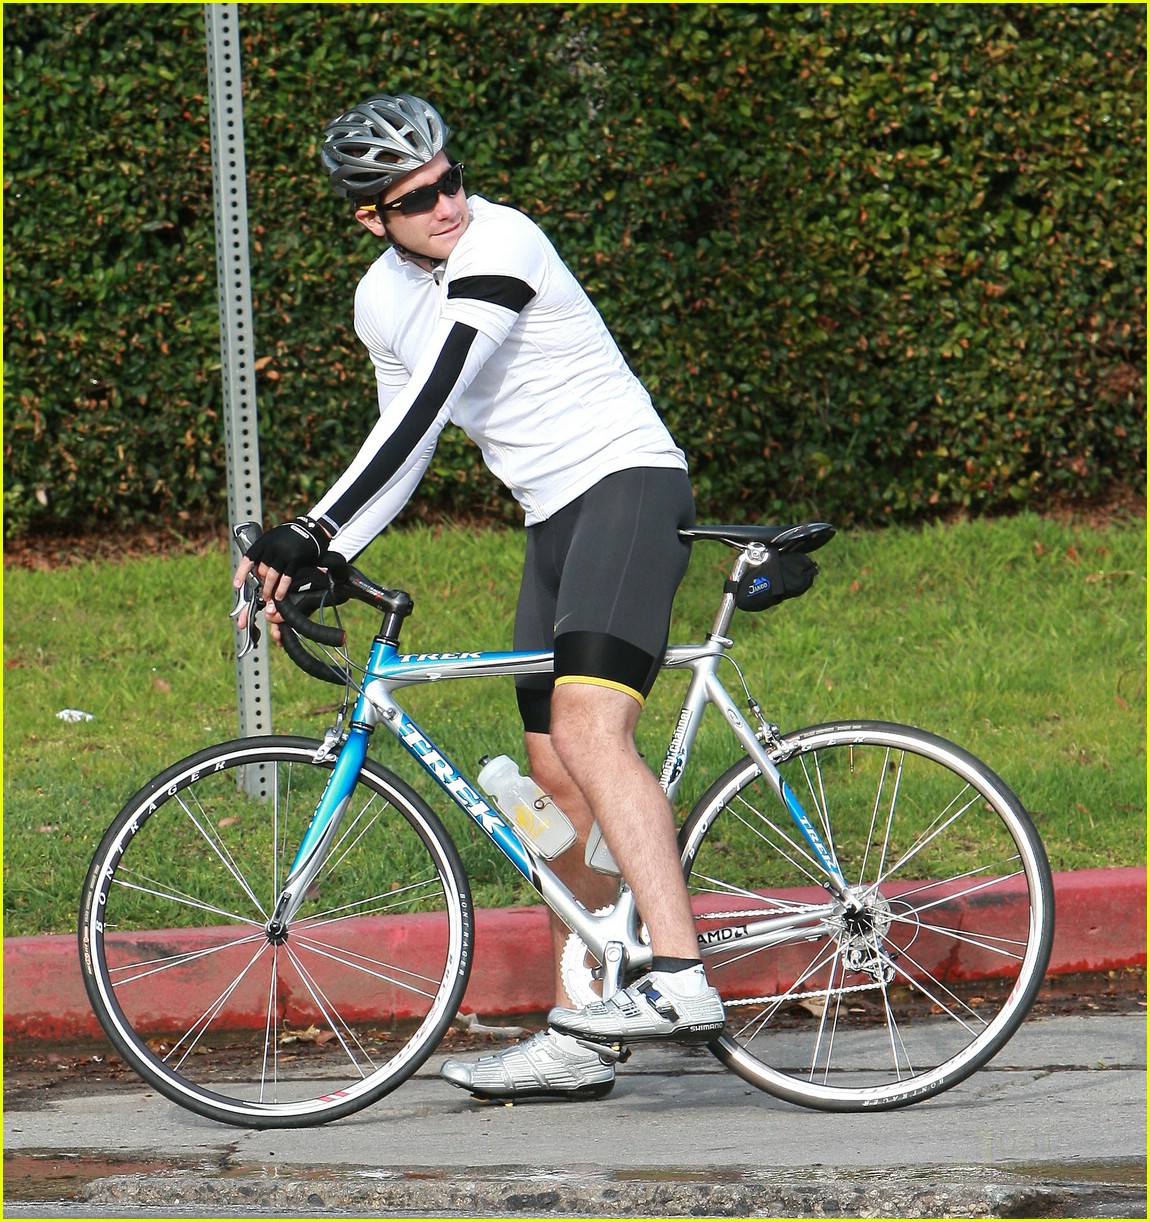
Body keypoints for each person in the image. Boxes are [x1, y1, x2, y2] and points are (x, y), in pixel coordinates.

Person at [233, 93, 724, 1102]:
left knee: (589, 731)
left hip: (628, 486)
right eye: (418, 198)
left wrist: (311, 528)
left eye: (450, 179)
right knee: (548, 781)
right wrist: (320, 554)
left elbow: (436, 397)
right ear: (370, 217)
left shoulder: (504, 241)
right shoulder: (381, 299)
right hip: (553, 520)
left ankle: (680, 978)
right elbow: (402, 447)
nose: (448, 204)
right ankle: (584, 1023)